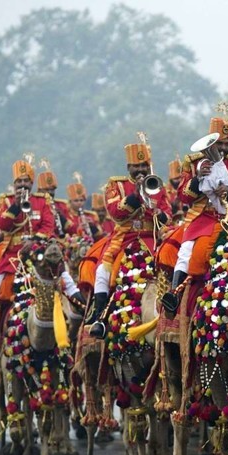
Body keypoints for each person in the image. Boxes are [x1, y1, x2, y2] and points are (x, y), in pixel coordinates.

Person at [160, 117, 228, 315]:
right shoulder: (193, 162)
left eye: (227, 144)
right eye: (220, 143)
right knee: (186, 251)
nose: (223, 148)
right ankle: (174, 295)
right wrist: (197, 178)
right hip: (203, 218)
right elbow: (183, 195)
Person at [0, 157, 83, 331]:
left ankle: (85, 311)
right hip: (13, 253)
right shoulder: (5, 201)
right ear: (14, 183)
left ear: (31, 183)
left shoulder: (42, 200)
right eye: (19, 181)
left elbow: (48, 226)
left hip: (38, 251)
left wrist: (34, 241)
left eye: (26, 181)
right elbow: (3, 225)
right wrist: (16, 205)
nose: (22, 184)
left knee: (65, 277)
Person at [88, 140, 171, 337]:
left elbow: (168, 215)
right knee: (102, 272)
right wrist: (135, 195)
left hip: (151, 239)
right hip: (124, 239)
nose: (141, 170)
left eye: (144, 165)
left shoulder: (157, 185)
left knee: (171, 262)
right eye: (136, 166)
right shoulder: (115, 185)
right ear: (129, 168)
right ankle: (99, 318)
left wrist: (158, 213)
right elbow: (115, 212)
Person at [36, 158, 69, 237]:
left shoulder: (61, 205)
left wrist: (60, 216)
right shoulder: (34, 203)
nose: (50, 193)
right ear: (39, 190)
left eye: (52, 190)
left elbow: (70, 229)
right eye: (47, 190)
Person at [63, 175, 100, 241]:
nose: (79, 203)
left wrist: (92, 226)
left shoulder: (90, 215)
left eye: (81, 200)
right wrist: (79, 228)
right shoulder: (65, 214)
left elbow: (99, 235)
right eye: (76, 201)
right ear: (70, 202)